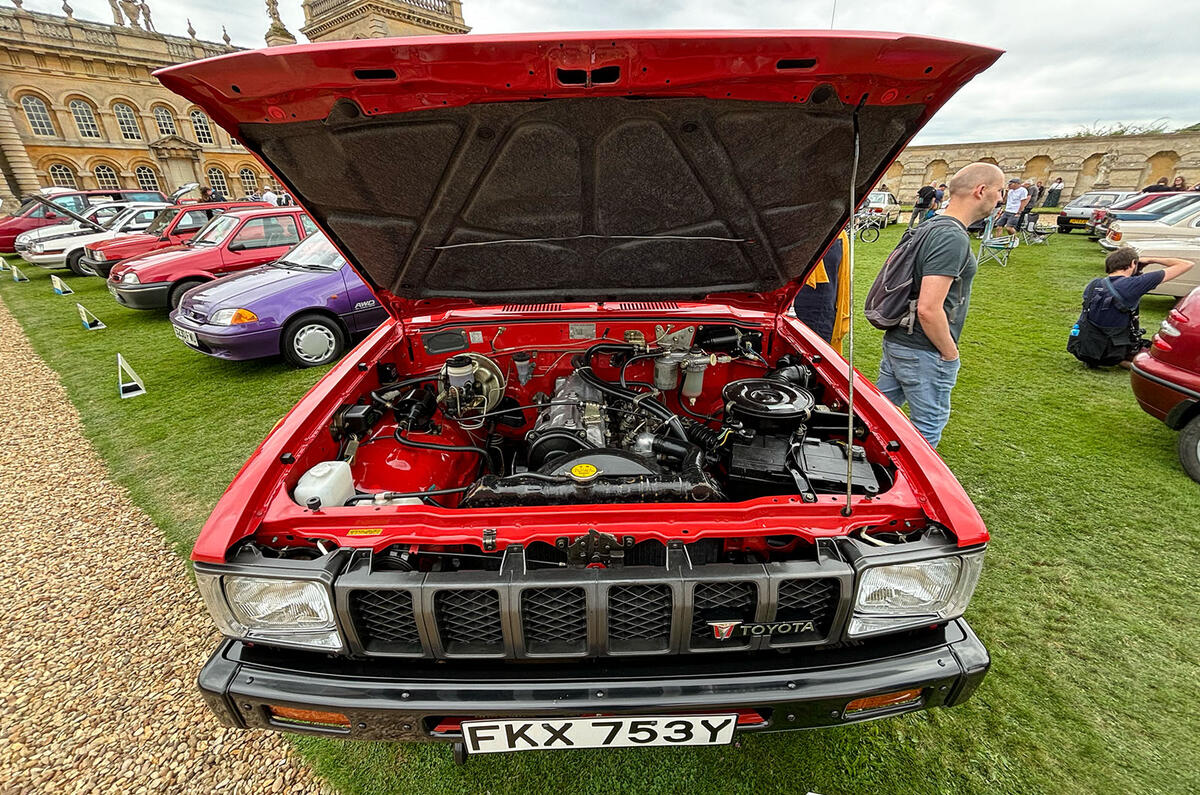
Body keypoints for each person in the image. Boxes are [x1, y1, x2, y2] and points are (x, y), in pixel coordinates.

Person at [876, 162, 1004, 448]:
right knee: (927, 428)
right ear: (980, 191)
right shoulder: (951, 237)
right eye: (999, 191)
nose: (1001, 198)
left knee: (875, 417)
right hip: (923, 348)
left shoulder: (930, 225)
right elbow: (928, 308)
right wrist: (949, 353)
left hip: (899, 339)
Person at [1068, 247, 1194, 369]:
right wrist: (1151, 260)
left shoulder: (1094, 284)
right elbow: (1186, 264)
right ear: (1134, 263)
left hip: (1084, 347)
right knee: (1156, 354)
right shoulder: (1134, 284)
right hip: (1112, 351)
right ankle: (1133, 364)